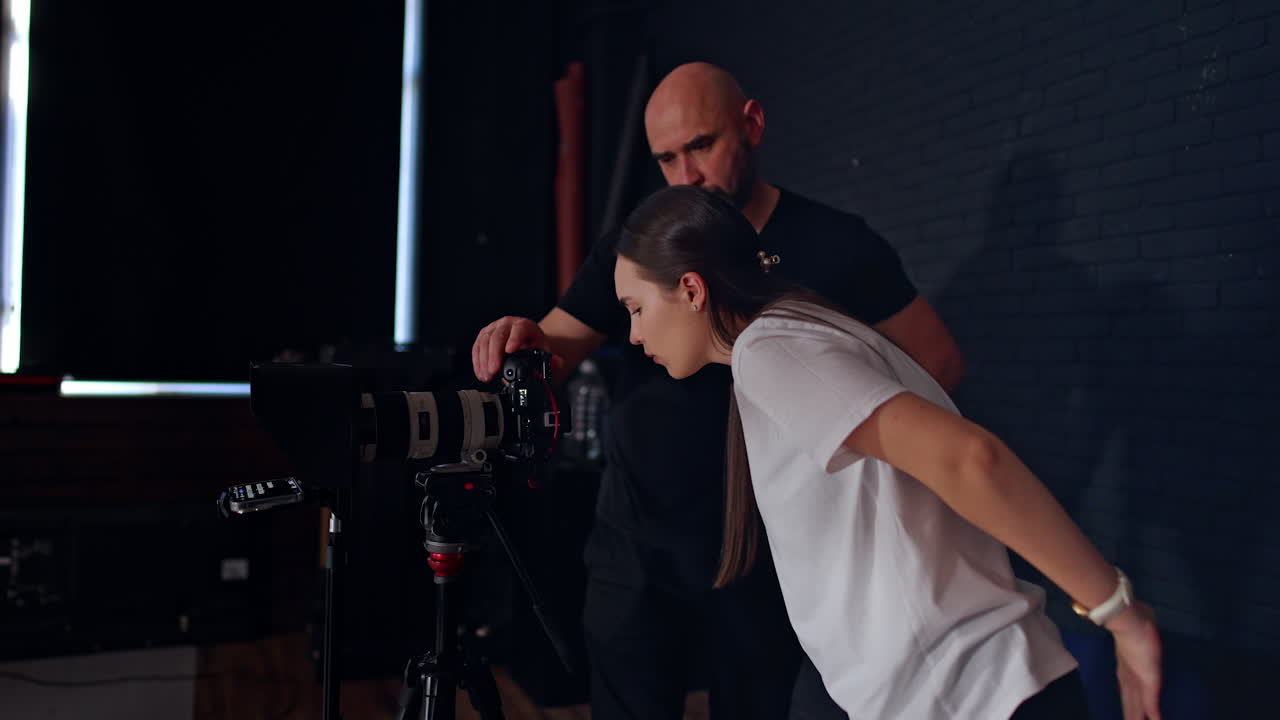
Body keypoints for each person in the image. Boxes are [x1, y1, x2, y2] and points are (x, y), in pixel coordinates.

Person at [473, 62, 964, 718]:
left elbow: (937, 363)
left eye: (701, 146)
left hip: (764, 550)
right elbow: (555, 344)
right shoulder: (647, 243)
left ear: (752, 125)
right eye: (667, 159)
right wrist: (523, 338)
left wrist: (850, 458)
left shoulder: (836, 244)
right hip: (637, 540)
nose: (686, 177)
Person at [610, 184, 1165, 720]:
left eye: (635, 308)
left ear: (690, 290)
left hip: (965, 692)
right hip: (940, 684)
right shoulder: (797, 330)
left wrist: (1120, 613)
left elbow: (970, 459)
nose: (633, 335)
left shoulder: (771, 350)